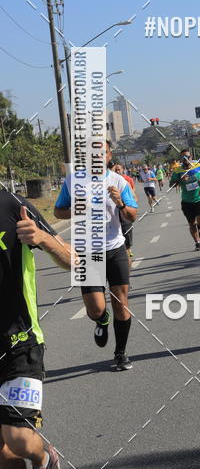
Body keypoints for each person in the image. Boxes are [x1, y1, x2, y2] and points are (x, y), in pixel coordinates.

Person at [0, 192, 74, 469]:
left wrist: (43, 238)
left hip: (20, 341)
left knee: (16, 437)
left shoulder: (12, 205)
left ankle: (45, 457)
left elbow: (76, 261)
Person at [54, 140, 138, 371]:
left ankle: (120, 353)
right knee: (96, 309)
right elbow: (57, 212)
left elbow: (132, 216)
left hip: (114, 248)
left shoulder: (118, 181)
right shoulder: (73, 181)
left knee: (121, 303)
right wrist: (74, 209)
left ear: (109, 155)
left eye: (103, 153)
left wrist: (120, 203)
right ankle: (102, 320)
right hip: (86, 253)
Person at [170, 149, 200, 251]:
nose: (186, 159)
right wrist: (180, 180)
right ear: (181, 159)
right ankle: (197, 242)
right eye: (183, 157)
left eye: (188, 157)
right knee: (191, 223)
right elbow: (171, 185)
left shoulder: (198, 166)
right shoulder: (177, 171)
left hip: (199, 199)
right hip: (186, 201)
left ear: (191, 157)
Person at [112, 163, 137, 262]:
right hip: (112, 219)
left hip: (124, 217)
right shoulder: (109, 181)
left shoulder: (126, 181)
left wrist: (123, 202)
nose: (117, 171)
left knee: (125, 247)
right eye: (115, 170)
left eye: (119, 169)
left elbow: (134, 197)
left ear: (123, 170)